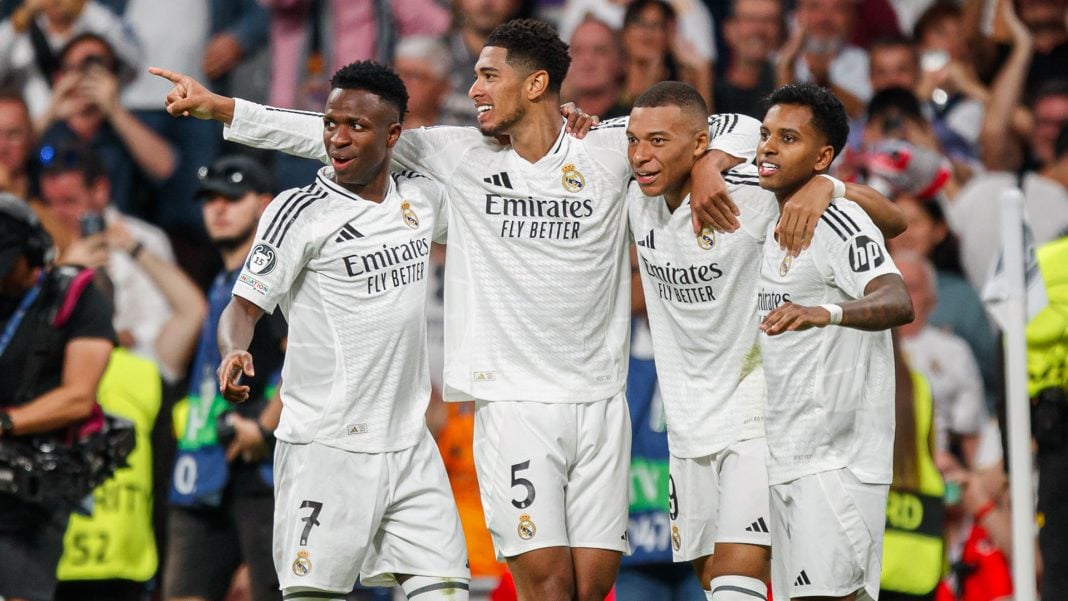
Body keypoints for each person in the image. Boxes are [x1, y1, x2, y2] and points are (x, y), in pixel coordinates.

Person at [152, 18, 850, 600]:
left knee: (593, 584)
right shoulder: (457, 156)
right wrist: (223, 110)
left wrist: (705, 164)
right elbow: (341, 129)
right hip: (512, 405)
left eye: (488, 76)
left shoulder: (610, 149)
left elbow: (735, 120)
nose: (474, 89)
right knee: (545, 588)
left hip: (600, 403)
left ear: (537, 83)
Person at [626, 81, 904, 601]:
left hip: (758, 410)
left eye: (660, 142)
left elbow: (894, 221)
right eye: (635, 142)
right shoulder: (634, 194)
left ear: (699, 143)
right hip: (689, 425)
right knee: (714, 578)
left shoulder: (755, 189)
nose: (641, 154)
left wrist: (832, 186)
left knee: (738, 576)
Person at [214, 61, 468, 601]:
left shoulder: (420, 200)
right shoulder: (298, 211)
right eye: (330, 123)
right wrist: (234, 348)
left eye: (356, 125)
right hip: (325, 448)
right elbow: (242, 307)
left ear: (394, 135)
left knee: (448, 592)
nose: (337, 137)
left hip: (407, 444)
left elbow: (496, 202)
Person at [755, 83, 914, 600]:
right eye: (765, 135)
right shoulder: (771, 207)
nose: (767, 148)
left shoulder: (837, 220)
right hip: (791, 454)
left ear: (822, 156)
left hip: (838, 459)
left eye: (787, 138)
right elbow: (898, 219)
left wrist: (824, 312)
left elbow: (896, 299)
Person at [163, 154, 286, 601]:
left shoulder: (278, 277)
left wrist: (265, 426)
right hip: (204, 465)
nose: (218, 208)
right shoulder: (222, 280)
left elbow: (312, 357)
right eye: (210, 198)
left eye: (232, 198)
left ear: (265, 205)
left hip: (262, 472)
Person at [0, 192, 116, 601]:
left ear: (32, 250)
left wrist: (6, 423)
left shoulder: (76, 298)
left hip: (30, 480)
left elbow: (77, 398)